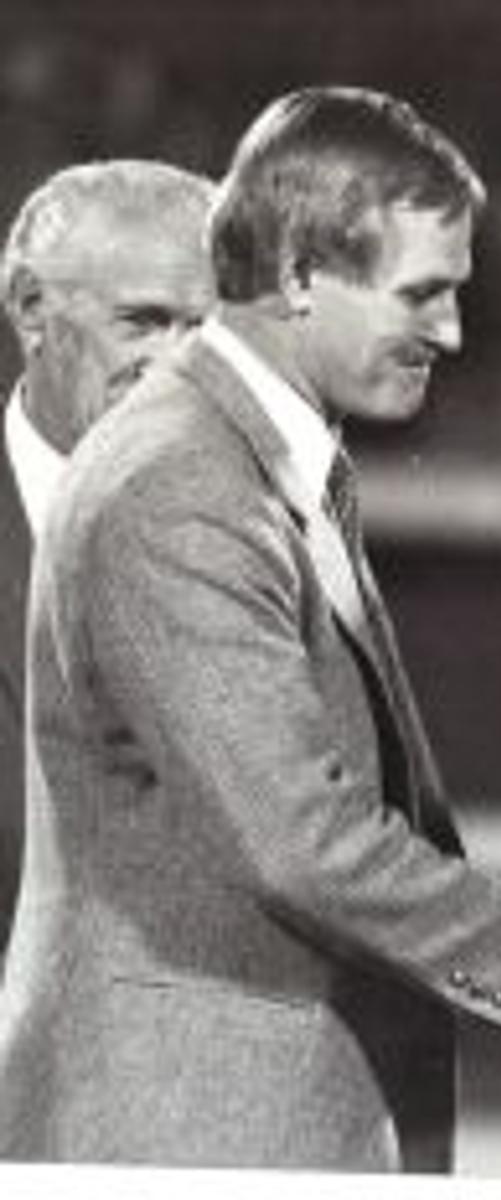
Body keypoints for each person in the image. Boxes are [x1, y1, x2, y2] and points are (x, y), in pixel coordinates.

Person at [0, 87, 501, 1171]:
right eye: (421, 294)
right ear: (297, 277)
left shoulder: (254, 459)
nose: (453, 331)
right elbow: (300, 837)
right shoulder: (179, 481)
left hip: (244, 1117)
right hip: (189, 1130)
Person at [0, 160, 216, 964]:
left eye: (204, 333)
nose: (178, 367)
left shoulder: (283, 535)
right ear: (31, 308)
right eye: (143, 322)